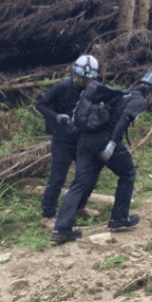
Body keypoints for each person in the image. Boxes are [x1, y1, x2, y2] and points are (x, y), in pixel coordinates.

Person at [51, 70, 152, 244]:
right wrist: (112, 144)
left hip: (85, 141)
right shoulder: (139, 100)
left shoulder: (125, 94)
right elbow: (123, 121)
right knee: (128, 173)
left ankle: (61, 230)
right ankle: (119, 218)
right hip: (104, 142)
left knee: (79, 184)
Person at [35, 55, 99, 228]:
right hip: (62, 140)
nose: (81, 81)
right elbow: (40, 104)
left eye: (85, 79)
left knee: (87, 174)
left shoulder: (93, 89)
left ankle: (80, 206)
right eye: (78, 77)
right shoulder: (62, 87)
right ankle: (47, 215)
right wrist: (56, 117)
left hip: (83, 139)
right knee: (57, 177)